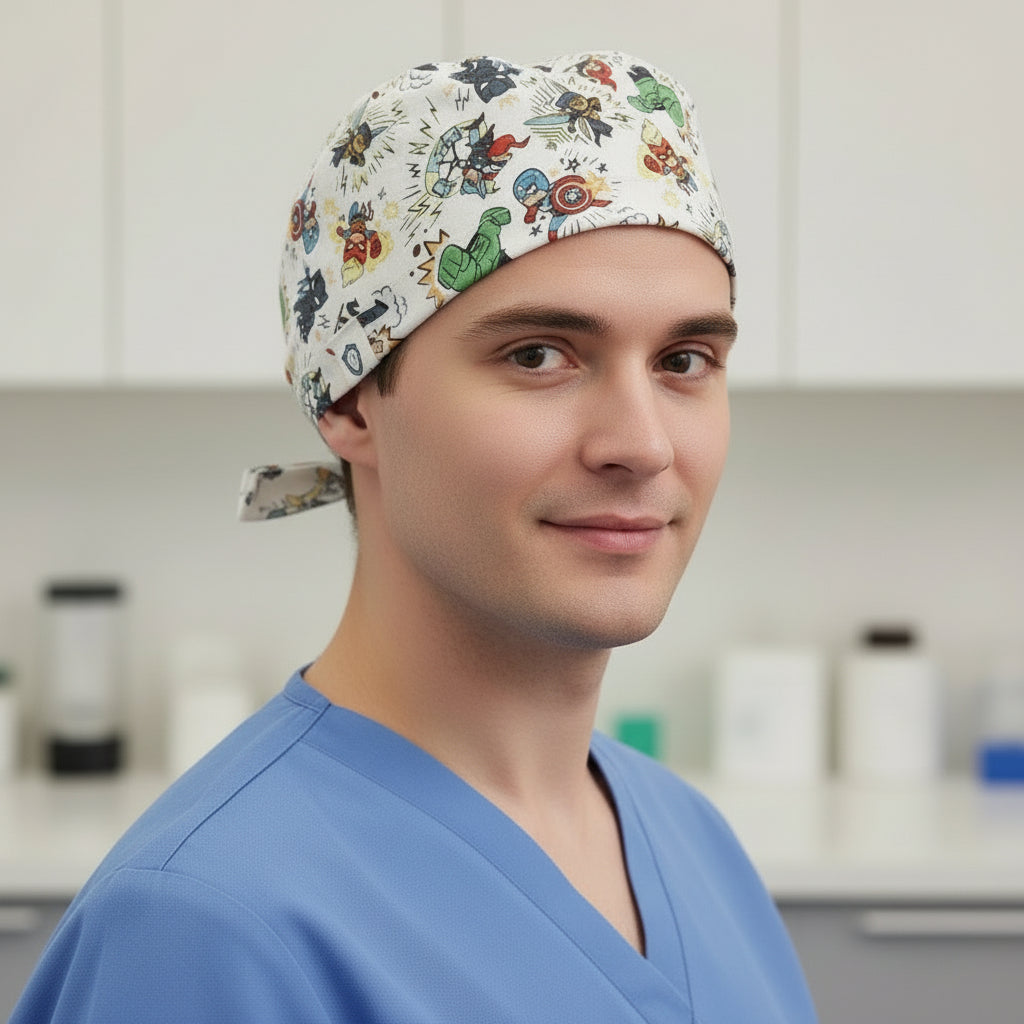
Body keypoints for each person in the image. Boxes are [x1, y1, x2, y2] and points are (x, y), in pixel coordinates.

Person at [12, 51, 818, 1023]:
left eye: (685, 359)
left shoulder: (694, 843)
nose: (641, 444)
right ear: (350, 399)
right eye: (538, 355)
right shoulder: (207, 929)